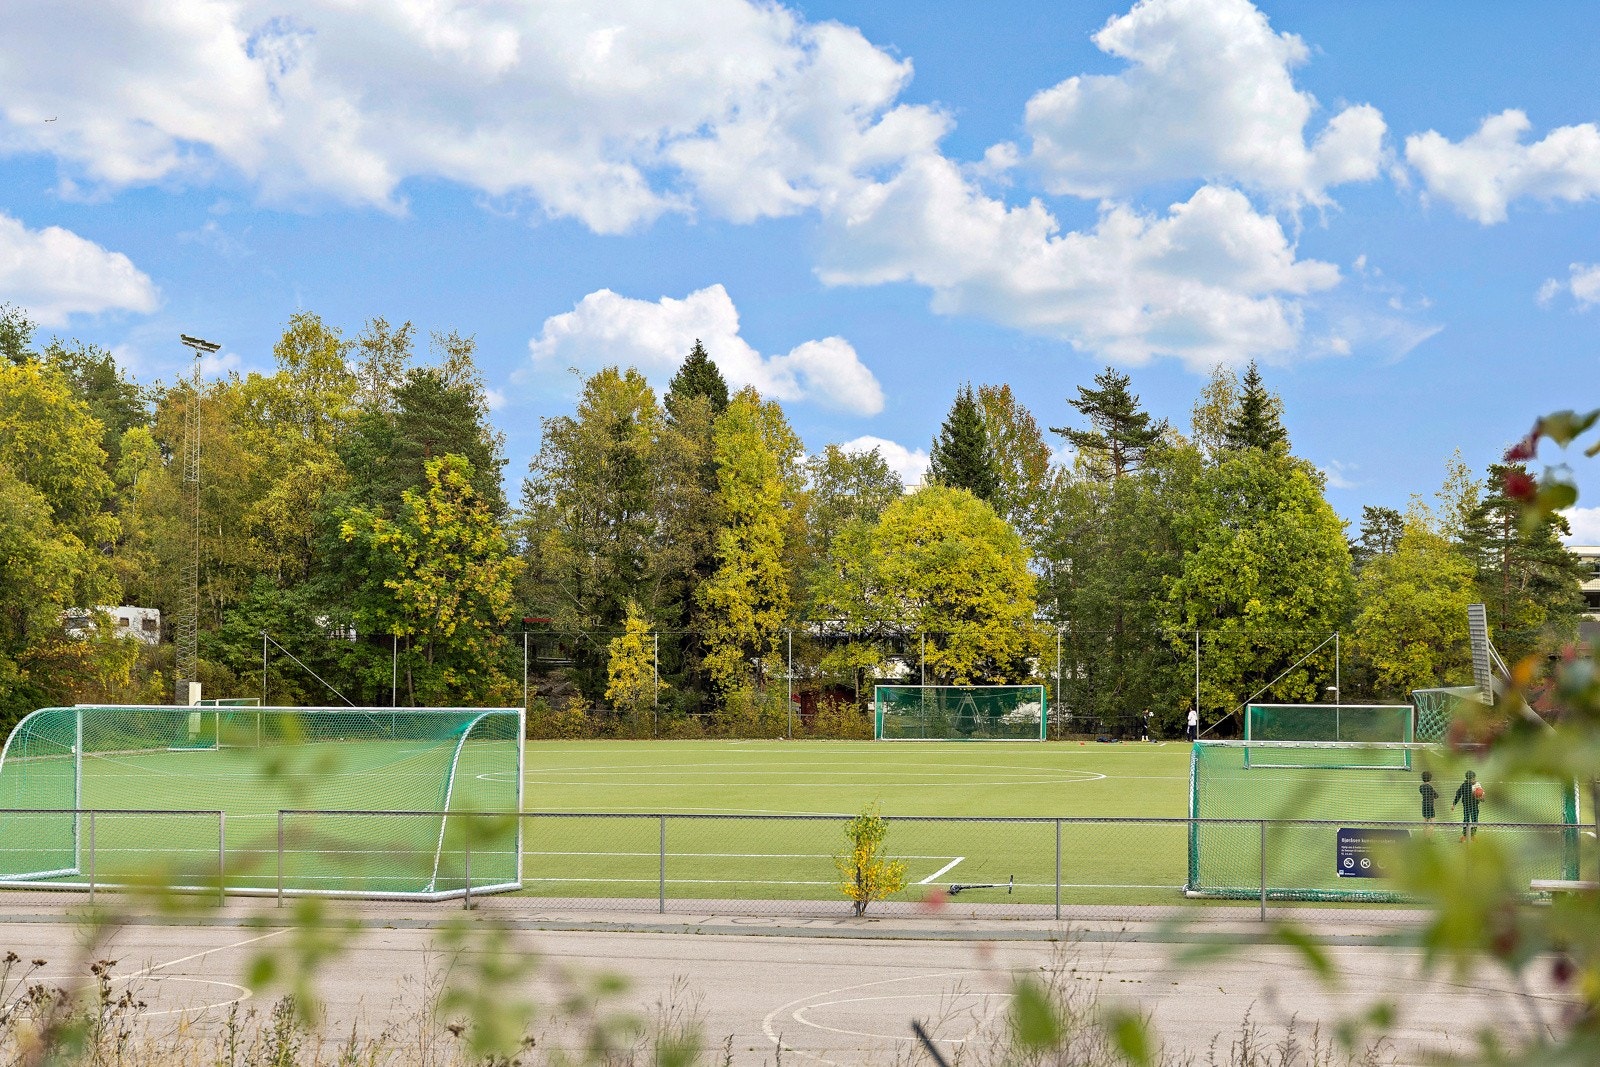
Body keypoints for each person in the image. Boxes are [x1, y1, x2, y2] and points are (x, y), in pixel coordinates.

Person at [1452, 770, 1481, 839]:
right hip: (1470, 806)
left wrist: (1454, 804)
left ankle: (1470, 835)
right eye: (1473, 778)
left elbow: (1458, 795)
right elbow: (1458, 795)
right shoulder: (1467, 786)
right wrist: (1454, 804)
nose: (1474, 779)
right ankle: (1467, 835)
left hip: (1471, 806)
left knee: (1469, 819)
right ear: (1471, 778)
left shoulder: (1476, 786)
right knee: (1470, 820)